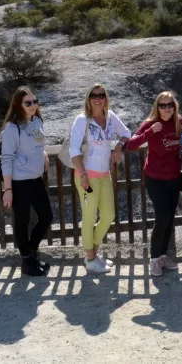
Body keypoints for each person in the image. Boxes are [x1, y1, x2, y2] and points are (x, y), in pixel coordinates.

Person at [69, 84, 131, 274]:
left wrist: (119, 145)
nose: (98, 98)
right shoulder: (82, 120)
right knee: (89, 218)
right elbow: (74, 150)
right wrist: (84, 175)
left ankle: (93, 255)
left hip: (104, 174)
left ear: (106, 97)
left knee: (108, 215)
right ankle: (91, 259)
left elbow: (127, 133)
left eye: (101, 95)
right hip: (86, 176)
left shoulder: (110, 117)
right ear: (88, 98)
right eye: (93, 95)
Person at [128, 91, 182, 277]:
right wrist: (148, 133)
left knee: (170, 218)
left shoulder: (179, 121)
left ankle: (163, 257)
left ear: (174, 106)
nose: (166, 109)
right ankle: (154, 259)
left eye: (170, 105)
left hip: (173, 177)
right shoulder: (150, 124)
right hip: (155, 179)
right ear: (157, 107)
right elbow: (131, 145)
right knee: (162, 217)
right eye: (162, 105)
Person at [0, 86, 53, 277]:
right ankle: (27, 260)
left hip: (36, 179)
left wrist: (44, 153)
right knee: (21, 222)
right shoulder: (12, 129)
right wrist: (8, 189)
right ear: (18, 105)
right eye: (27, 103)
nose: (32, 105)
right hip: (19, 182)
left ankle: (31, 252)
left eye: (34, 101)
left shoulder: (37, 120)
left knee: (46, 216)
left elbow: (38, 143)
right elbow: (6, 158)